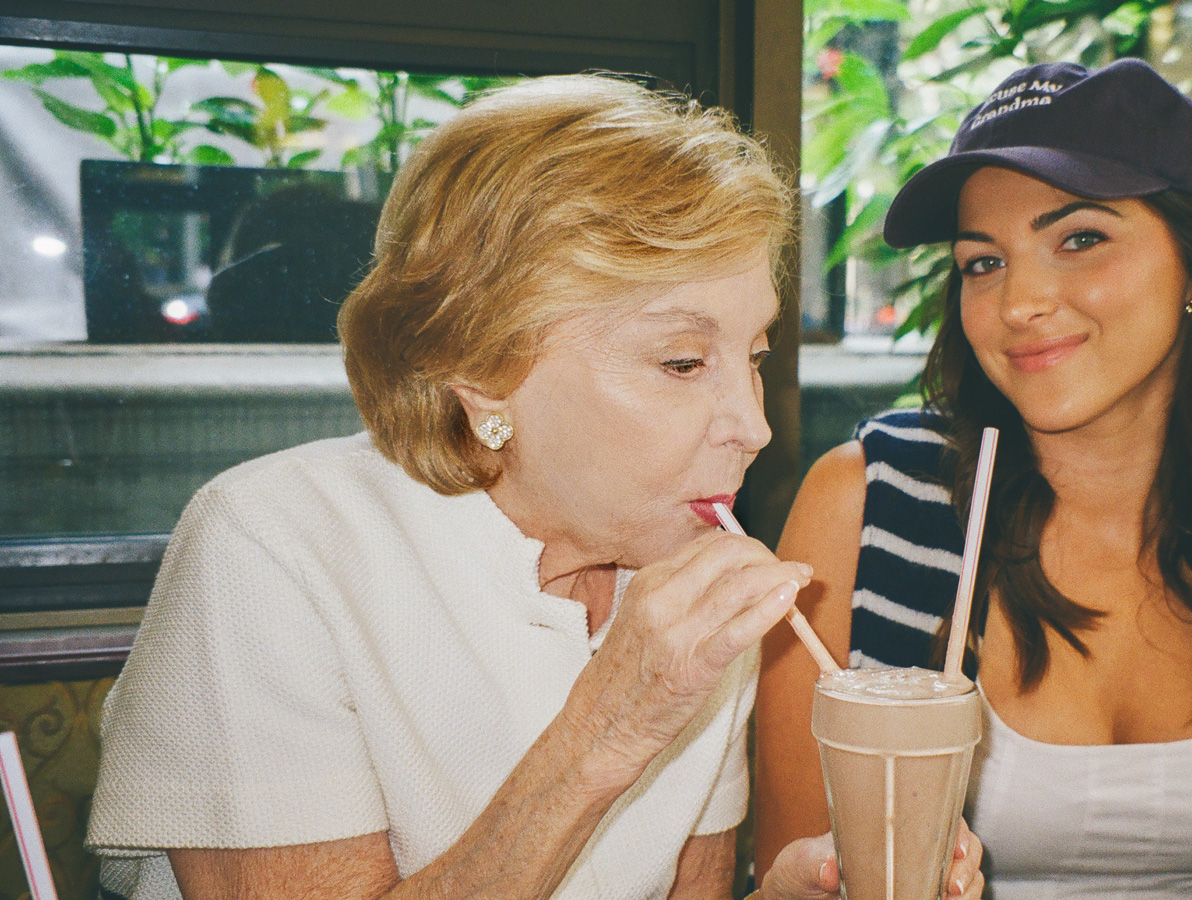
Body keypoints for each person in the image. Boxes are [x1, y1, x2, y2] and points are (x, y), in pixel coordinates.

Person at [85, 75, 983, 900]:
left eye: (752, 357)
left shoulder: (694, 571)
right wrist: (612, 726)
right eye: (681, 360)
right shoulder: (273, 547)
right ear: (479, 372)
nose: (752, 425)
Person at [755, 59, 1192, 899]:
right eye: (982, 262)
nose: (1019, 301)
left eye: (1080, 239)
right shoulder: (869, 504)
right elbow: (802, 866)